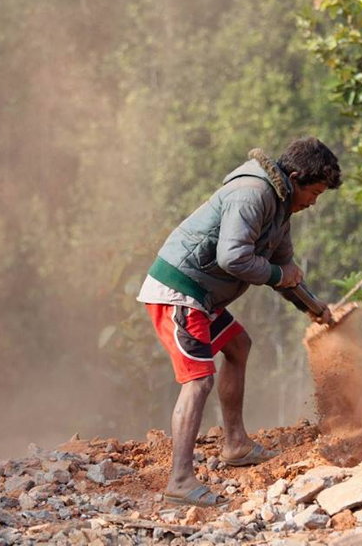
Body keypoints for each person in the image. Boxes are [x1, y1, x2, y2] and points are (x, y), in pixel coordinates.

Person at [137, 137, 341, 507]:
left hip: (202, 295)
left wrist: (314, 308)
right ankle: (180, 481)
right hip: (180, 290)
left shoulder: (280, 210)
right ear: (295, 178)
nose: (313, 203)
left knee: (238, 345)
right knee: (198, 381)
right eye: (314, 192)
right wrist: (280, 273)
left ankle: (235, 445)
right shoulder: (253, 194)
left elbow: (285, 272)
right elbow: (233, 258)